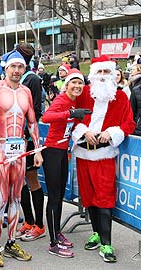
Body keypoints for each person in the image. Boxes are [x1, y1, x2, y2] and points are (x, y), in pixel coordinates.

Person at [0, 50, 43, 267]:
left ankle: (11, 242)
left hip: (20, 148)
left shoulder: (26, 91)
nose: (16, 71)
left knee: (16, 197)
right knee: (0, 198)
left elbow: (32, 122)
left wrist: (37, 150)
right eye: (13, 67)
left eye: (21, 67)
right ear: (5, 68)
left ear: (25, 69)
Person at [72, 55, 135, 263]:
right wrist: (83, 130)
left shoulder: (121, 98)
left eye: (106, 72)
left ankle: (107, 244)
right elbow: (72, 119)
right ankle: (96, 233)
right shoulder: (84, 96)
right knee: (88, 196)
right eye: (98, 72)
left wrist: (112, 132)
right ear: (92, 74)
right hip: (83, 154)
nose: (102, 76)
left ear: (112, 75)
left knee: (105, 198)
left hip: (105, 156)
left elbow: (129, 124)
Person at [42, 68, 92, 258]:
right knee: (54, 197)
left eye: (80, 83)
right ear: (67, 85)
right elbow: (46, 117)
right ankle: (53, 243)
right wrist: (70, 113)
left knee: (60, 195)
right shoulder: (62, 100)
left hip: (63, 152)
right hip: (52, 152)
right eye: (74, 83)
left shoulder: (73, 101)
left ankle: (57, 232)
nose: (77, 86)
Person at [15, 42, 45, 242]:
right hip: (13, 139)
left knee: (31, 179)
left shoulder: (32, 79)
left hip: (27, 137)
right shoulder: (15, 77)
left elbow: (33, 110)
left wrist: (27, 135)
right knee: (19, 181)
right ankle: (28, 220)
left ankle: (39, 225)